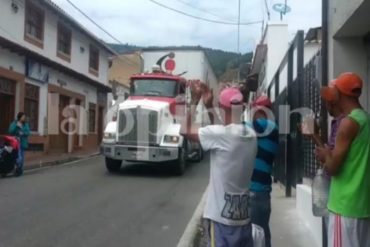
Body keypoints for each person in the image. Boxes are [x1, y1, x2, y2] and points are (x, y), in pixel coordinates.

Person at [180, 85, 257, 247]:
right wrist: (209, 106)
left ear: (222, 107)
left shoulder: (221, 135)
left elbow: (184, 130)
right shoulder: (251, 135)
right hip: (243, 219)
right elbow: (226, 130)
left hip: (221, 221)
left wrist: (195, 100)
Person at [315, 72, 370, 246]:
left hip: (344, 206)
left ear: (340, 94)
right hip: (362, 206)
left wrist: (324, 155)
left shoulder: (348, 123)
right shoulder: (365, 119)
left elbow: (332, 168)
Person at [248, 95, 279, 247]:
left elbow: (237, 128)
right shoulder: (268, 129)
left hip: (256, 193)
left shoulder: (266, 126)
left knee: (256, 237)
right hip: (261, 194)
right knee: (262, 234)